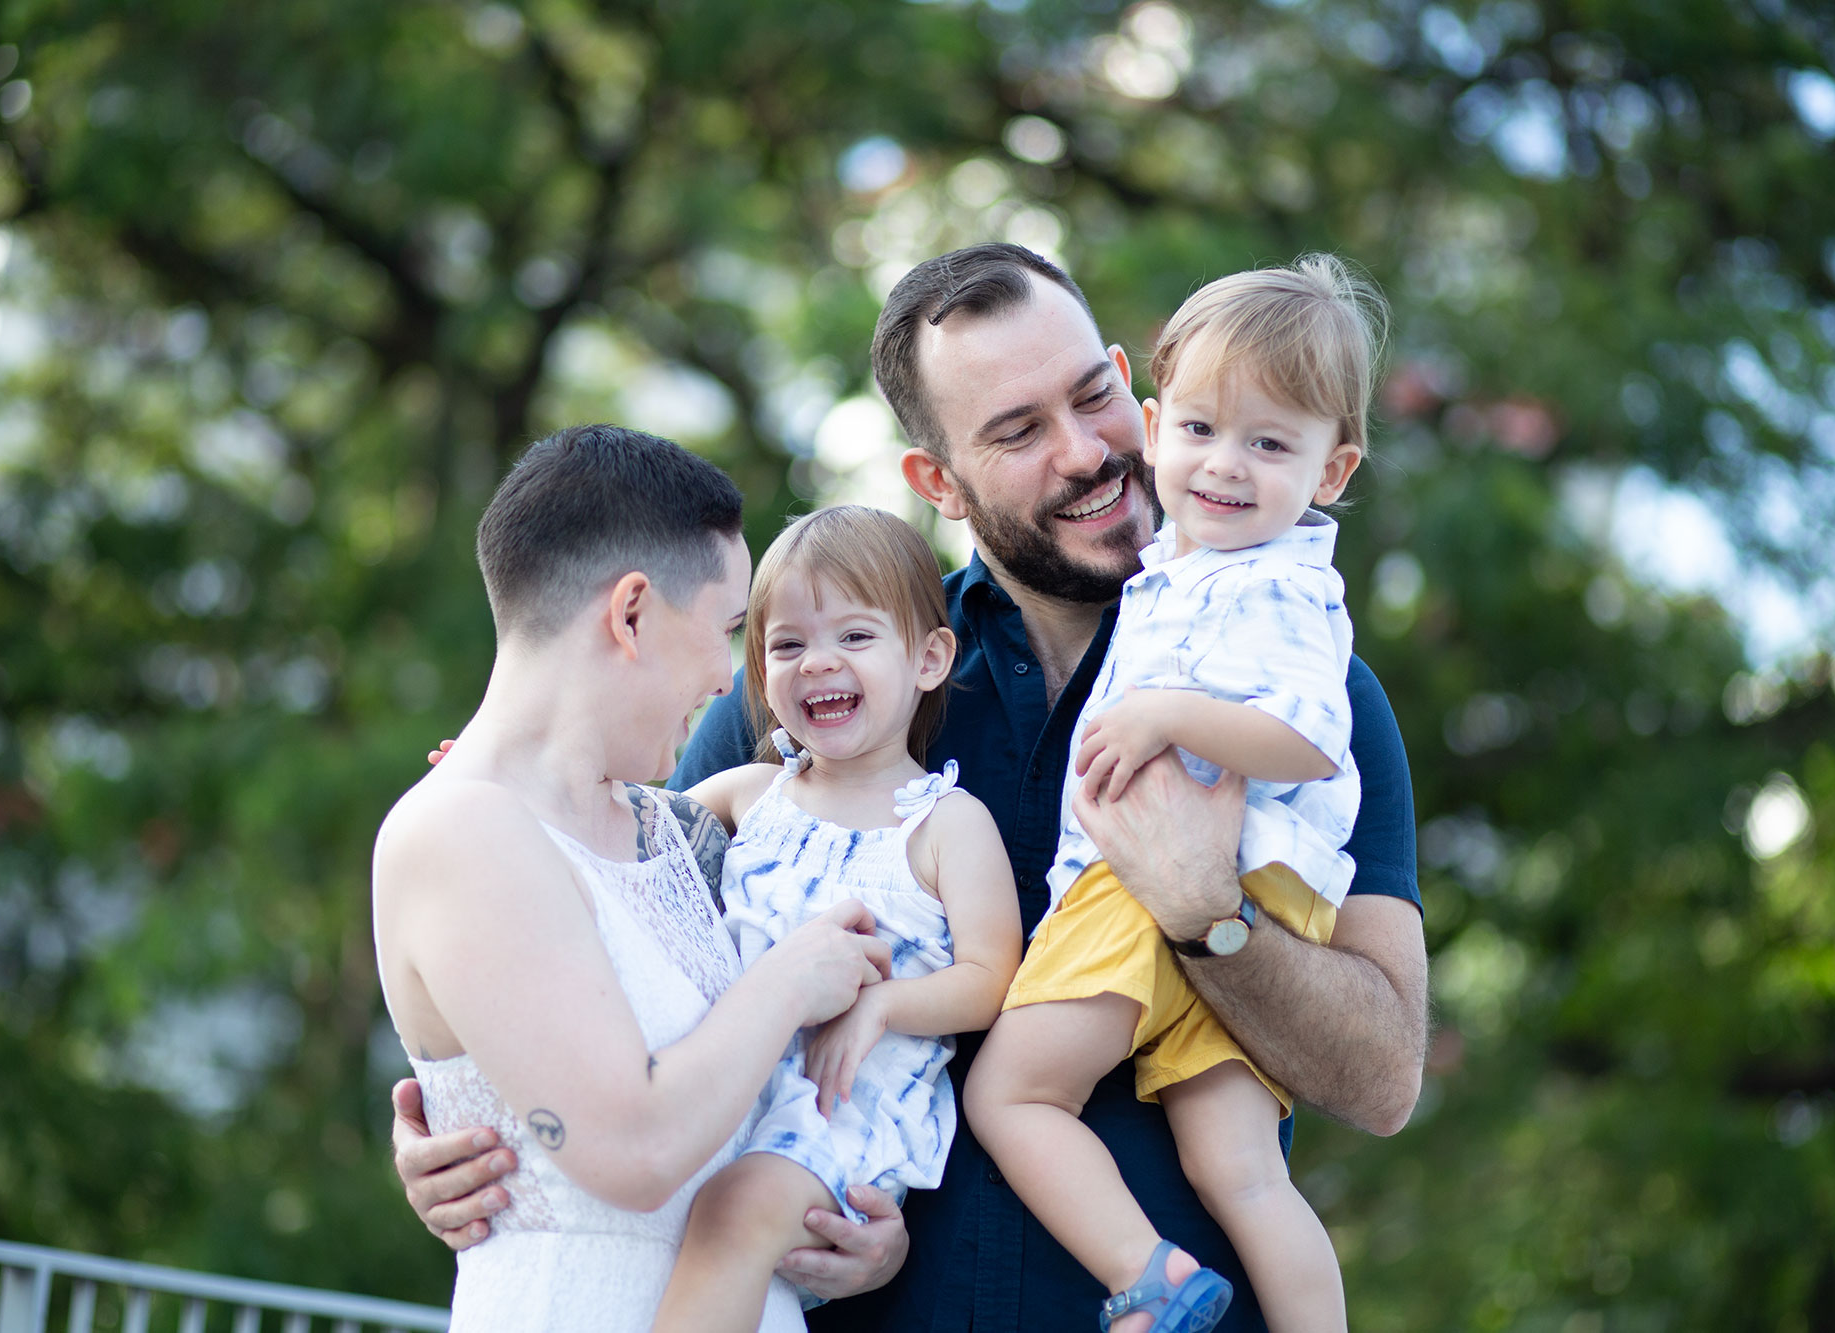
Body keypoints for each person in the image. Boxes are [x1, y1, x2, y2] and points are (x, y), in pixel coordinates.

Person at [391, 245, 1428, 1332]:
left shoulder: (1301, 686)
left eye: (1093, 395)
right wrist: (481, 1123)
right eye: (1019, 432)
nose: (1084, 451)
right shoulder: (826, 680)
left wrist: (1208, 918)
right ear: (937, 482)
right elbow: (612, 948)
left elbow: (1381, 1081)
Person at [371, 424, 893, 1332]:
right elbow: (633, 1149)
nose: (736, 683)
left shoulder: (678, 830)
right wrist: (789, 980)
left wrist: (850, 1229)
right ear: (632, 613)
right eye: (730, 630)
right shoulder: (458, 827)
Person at [965, 258, 1382, 1332]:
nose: (1224, 466)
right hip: (1233, 890)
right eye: (1199, 430)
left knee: (1011, 1094)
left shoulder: (1277, 586)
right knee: (1237, 1172)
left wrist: (1163, 719)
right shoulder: (1184, 571)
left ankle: (1148, 1276)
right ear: (1157, 425)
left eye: (1269, 443)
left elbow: (1302, 740)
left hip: (1147, 886)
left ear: (1331, 469)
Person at [652, 505, 1022, 1332]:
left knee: (735, 1215)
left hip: (843, 1107)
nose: (818, 661)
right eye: (787, 645)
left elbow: (992, 977)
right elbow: (624, 845)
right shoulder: (748, 796)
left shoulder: (945, 825)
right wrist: (521, 780)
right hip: (724, 1090)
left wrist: (883, 1003)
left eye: (854, 637)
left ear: (929, 657)